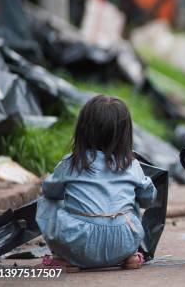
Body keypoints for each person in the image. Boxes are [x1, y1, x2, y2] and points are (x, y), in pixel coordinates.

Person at [36, 95, 157, 271]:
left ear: (83, 131)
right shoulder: (131, 165)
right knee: (133, 199)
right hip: (123, 242)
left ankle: (64, 258)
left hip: (78, 244)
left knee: (46, 200)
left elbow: (50, 191)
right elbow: (148, 199)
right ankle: (130, 256)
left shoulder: (71, 163)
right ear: (125, 133)